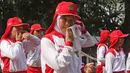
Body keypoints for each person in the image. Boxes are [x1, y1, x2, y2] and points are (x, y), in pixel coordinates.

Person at [41, 1, 95, 73]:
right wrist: (68, 44)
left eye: (71, 20)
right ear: (57, 19)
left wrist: (84, 31)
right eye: (64, 19)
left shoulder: (75, 39)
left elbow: (91, 42)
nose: (67, 23)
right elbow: (58, 65)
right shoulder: (48, 40)